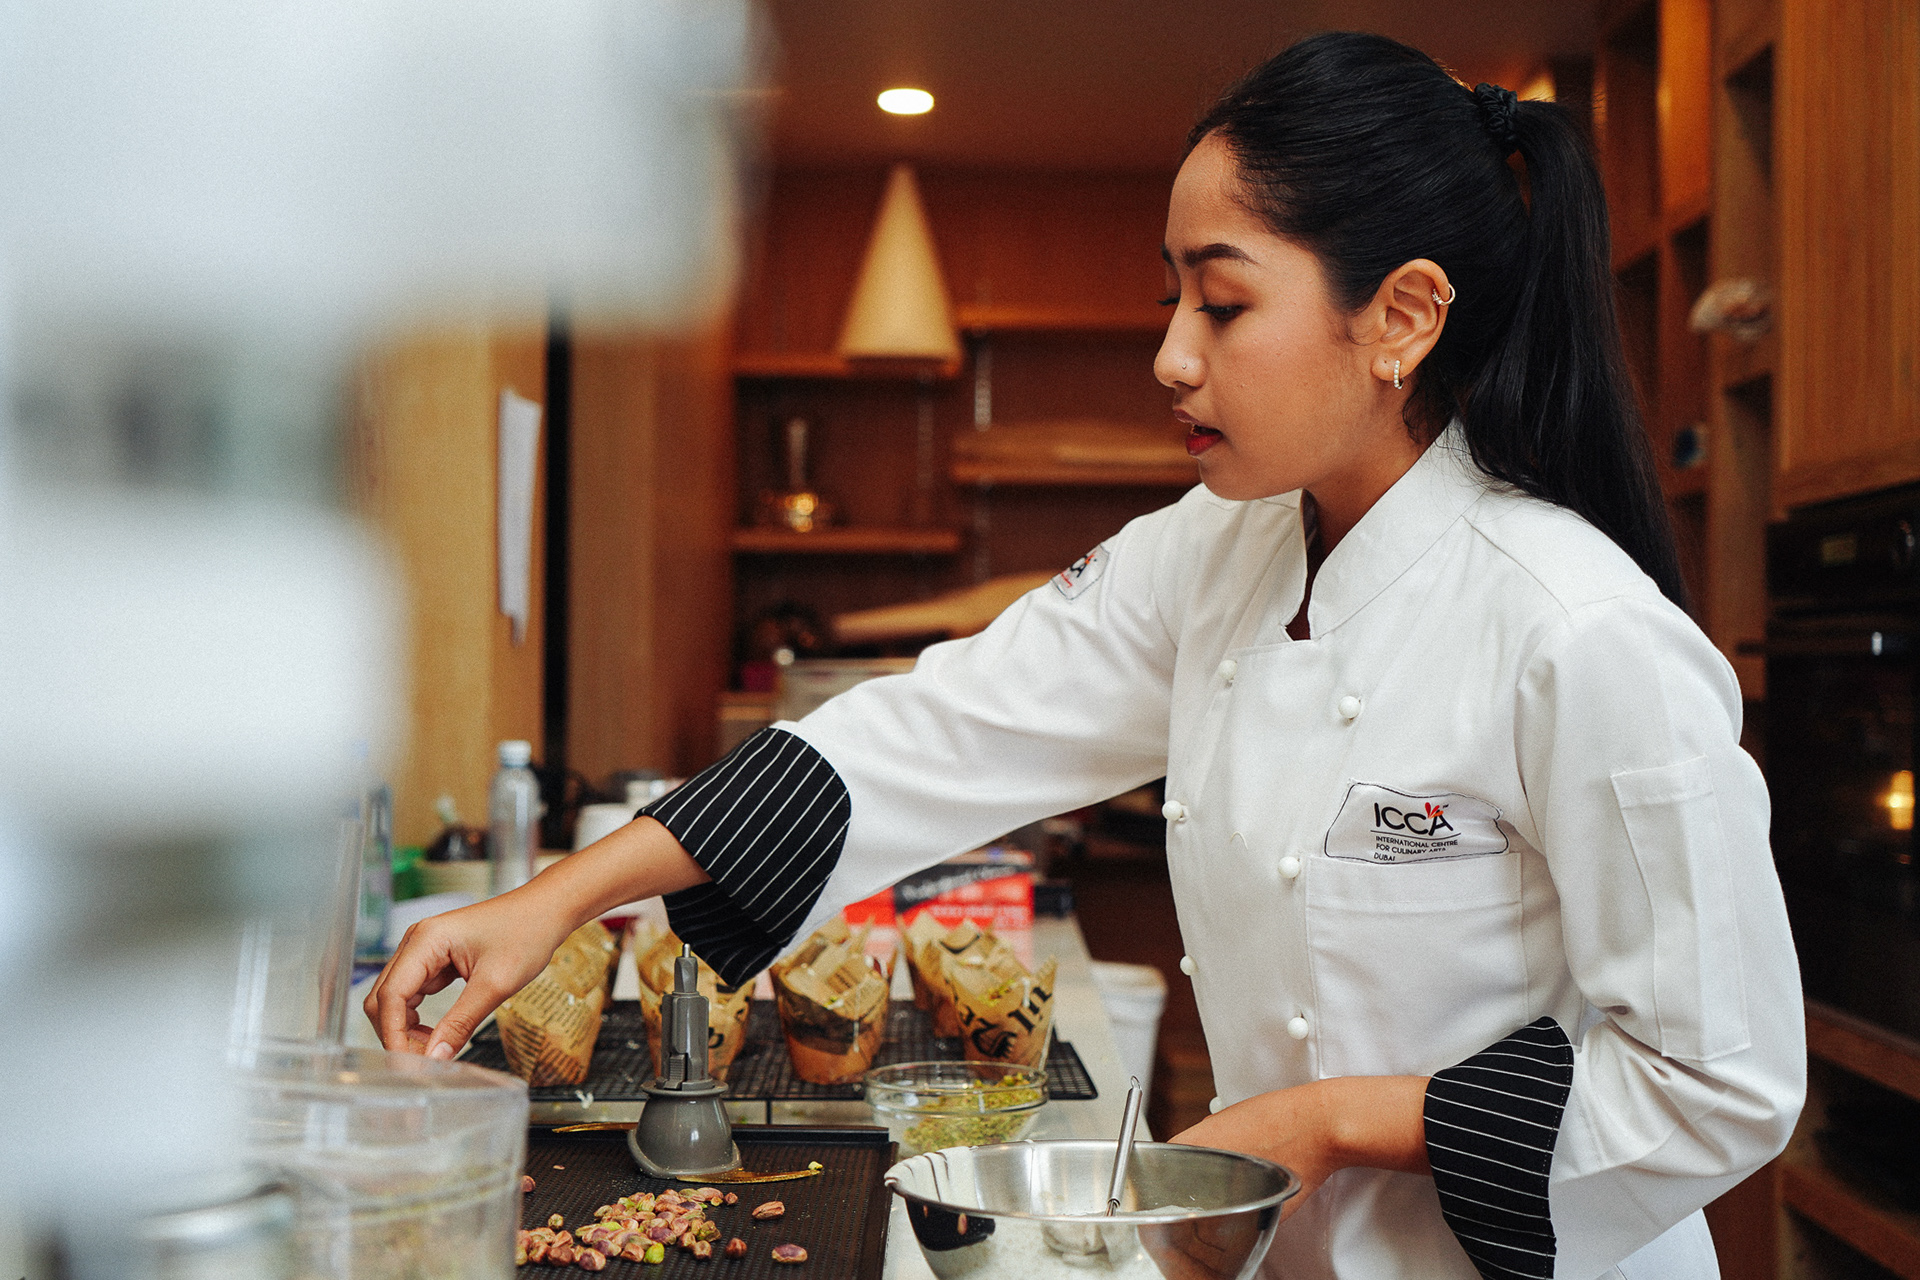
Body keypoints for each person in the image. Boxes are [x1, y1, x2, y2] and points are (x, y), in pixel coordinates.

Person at [368, 32, 1803, 1280]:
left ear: (1404, 318)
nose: (1172, 355)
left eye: (1223, 303)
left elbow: (1718, 1083)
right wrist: (559, 899)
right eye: (1169, 295)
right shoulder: (1222, 548)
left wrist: (1320, 1121)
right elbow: (934, 729)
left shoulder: (1578, 630)